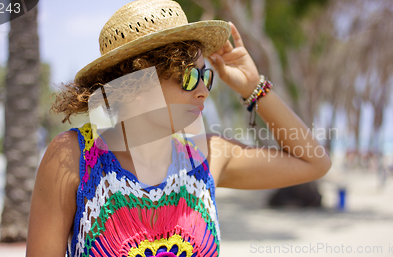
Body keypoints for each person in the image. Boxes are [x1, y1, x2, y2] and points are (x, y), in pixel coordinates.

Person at [26, 0, 332, 256]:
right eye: (188, 77)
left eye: (205, 76)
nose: (203, 90)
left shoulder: (207, 155)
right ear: (137, 81)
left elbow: (314, 162)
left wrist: (254, 87)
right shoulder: (73, 156)